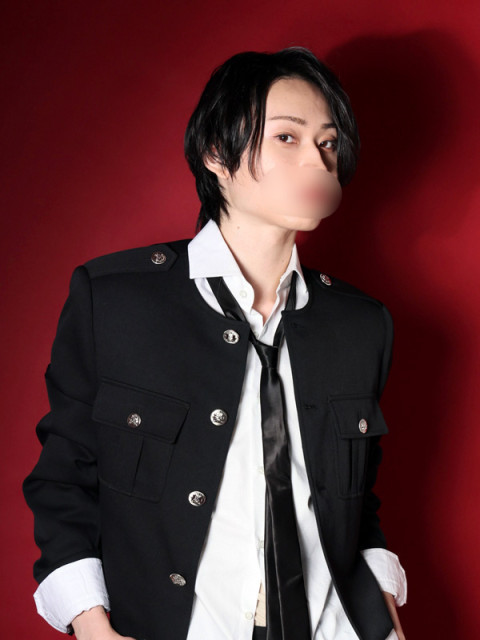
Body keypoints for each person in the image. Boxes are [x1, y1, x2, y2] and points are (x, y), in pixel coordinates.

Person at [23, 47, 407, 640]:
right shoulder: (116, 300)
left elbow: (356, 504)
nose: (317, 160)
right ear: (216, 154)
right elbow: (63, 481)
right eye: (287, 137)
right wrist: (93, 626)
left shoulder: (361, 324)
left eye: (328, 143)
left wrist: (385, 616)